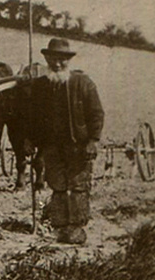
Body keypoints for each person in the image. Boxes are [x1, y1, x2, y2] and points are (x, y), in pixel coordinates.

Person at [29, 38, 104, 244]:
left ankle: (77, 228)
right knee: (58, 185)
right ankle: (60, 226)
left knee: (78, 186)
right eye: (53, 59)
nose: (57, 64)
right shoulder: (41, 86)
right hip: (52, 145)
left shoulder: (83, 84)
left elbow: (96, 113)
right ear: (47, 59)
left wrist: (93, 140)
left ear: (68, 61)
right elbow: (32, 117)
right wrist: (31, 141)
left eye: (62, 60)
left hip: (78, 145)